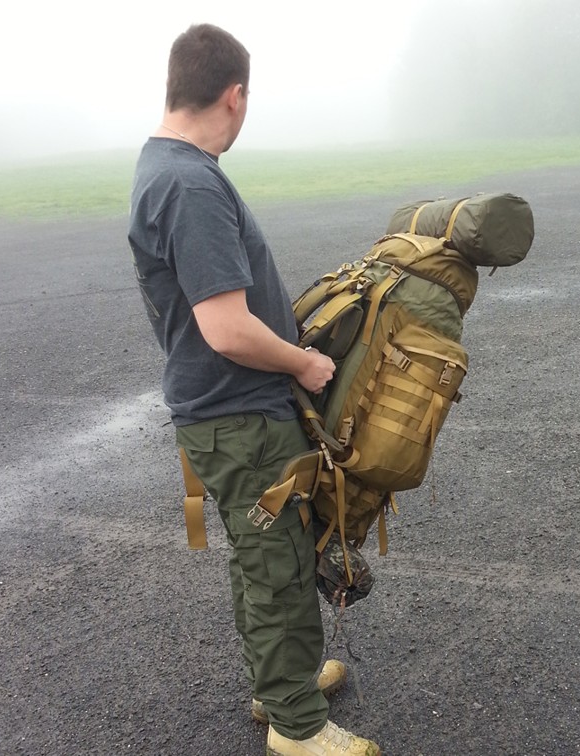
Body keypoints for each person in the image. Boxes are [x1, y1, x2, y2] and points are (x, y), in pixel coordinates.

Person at [127, 23, 380, 756]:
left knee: (265, 555)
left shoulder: (164, 168)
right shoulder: (188, 182)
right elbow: (228, 329)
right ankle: (296, 729)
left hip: (224, 412)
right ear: (234, 97)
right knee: (273, 566)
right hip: (239, 414)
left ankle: (283, 687)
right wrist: (303, 365)